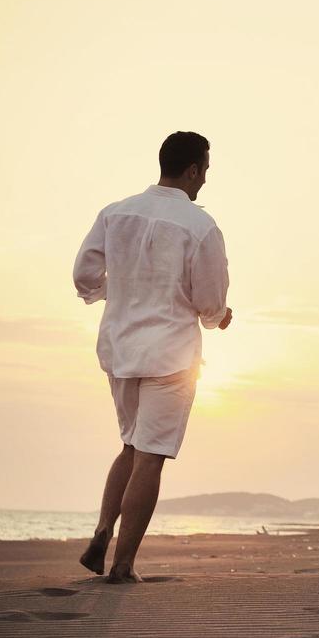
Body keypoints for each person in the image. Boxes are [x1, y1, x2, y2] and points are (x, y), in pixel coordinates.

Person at [71, 131, 232, 583]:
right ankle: (122, 565)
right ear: (195, 170)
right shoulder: (200, 226)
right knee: (151, 455)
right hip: (171, 355)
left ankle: (104, 530)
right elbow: (208, 302)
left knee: (129, 445)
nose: (204, 181)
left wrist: (120, 293)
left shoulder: (115, 212)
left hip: (120, 347)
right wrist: (220, 317)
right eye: (205, 171)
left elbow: (84, 276)